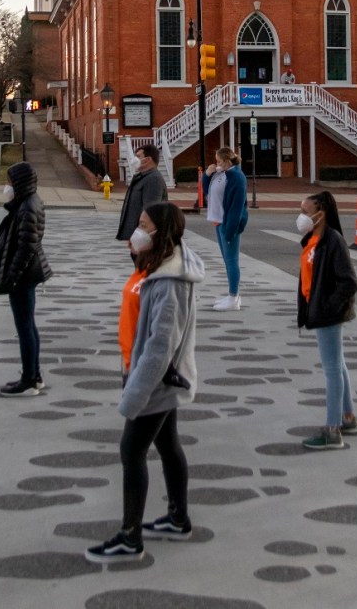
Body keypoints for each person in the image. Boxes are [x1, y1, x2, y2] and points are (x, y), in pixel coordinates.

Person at [85, 202, 204, 562]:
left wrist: (135, 395)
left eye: (143, 224)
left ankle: (129, 537)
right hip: (140, 370)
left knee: (131, 450)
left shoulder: (170, 282)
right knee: (168, 446)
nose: (136, 230)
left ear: (160, 231)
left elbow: (160, 345)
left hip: (155, 379)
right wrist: (138, 253)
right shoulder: (154, 266)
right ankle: (178, 518)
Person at [296, 190, 357, 450]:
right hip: (319, 311)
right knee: (338, 364)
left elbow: (349, 282)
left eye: (305, 212)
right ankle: (348, 417)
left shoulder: (333, 241)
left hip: (328, 314)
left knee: (332, 369)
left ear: (320, 214)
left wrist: (328, 308)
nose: (301, 217)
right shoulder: (313, 239)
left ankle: (333, 431)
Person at [0, 161, 53, 397]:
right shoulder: (28, 202)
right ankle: (34, 375)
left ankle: (28, 379)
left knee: (24, 326)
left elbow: (26, 247)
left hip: (24, 275)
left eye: (9, 181)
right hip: (28, 273)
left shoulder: (27, 206)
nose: (6, 186)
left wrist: (12, 277)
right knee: (28, 325)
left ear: (19, 183)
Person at [202, 146, 248, 310]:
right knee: (227, 261)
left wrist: (230, 229)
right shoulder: (222, 174)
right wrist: (207, 175)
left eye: (219, 161)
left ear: (227, 161)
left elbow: (237, 207)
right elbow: (207, 191)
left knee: (231, 260)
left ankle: (233, 296)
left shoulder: (236, 177)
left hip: (227, 223)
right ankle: (232, 296)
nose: (217, 164)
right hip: (218, 221)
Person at [116, 143, 168, 252]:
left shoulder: (153, 179)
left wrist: (142, 237)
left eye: (138, 156)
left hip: (145, 239)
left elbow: (150, 211)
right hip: (138, 236)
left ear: (148, 159)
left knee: (145, 267)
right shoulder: (142, 177)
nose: (135, 159)